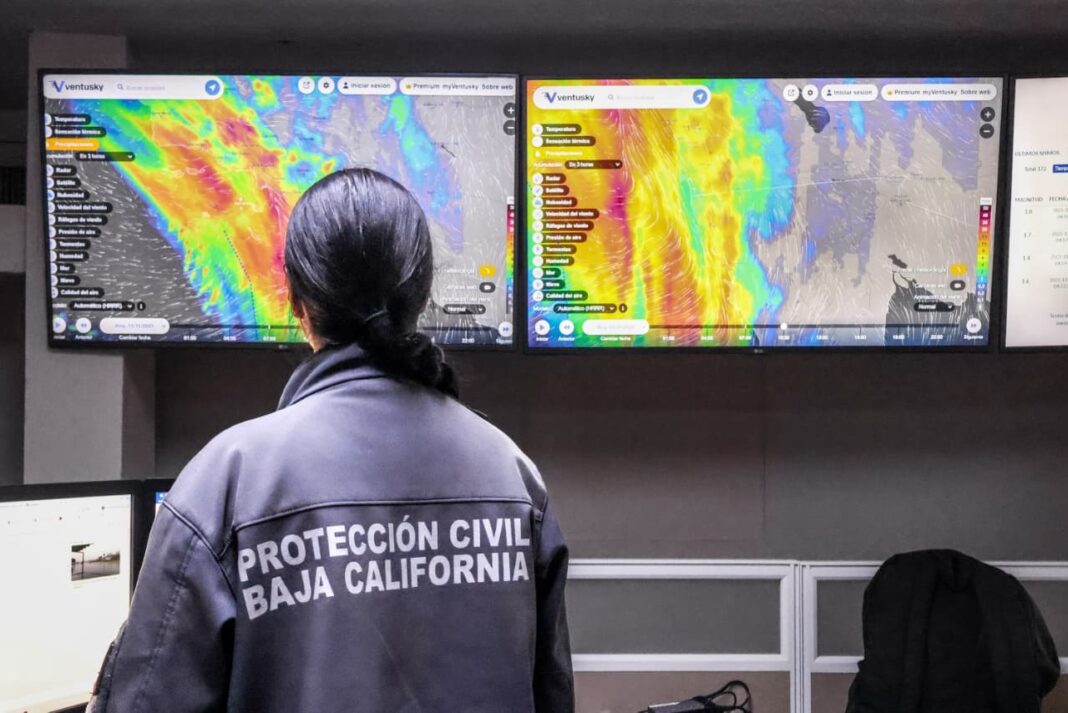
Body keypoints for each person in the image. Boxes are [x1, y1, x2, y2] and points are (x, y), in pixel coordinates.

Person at [88, 168, 574, 713]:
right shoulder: (512, 475)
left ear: (297, 302)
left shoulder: (226, 482)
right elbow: (552, 696)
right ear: (419, 297)